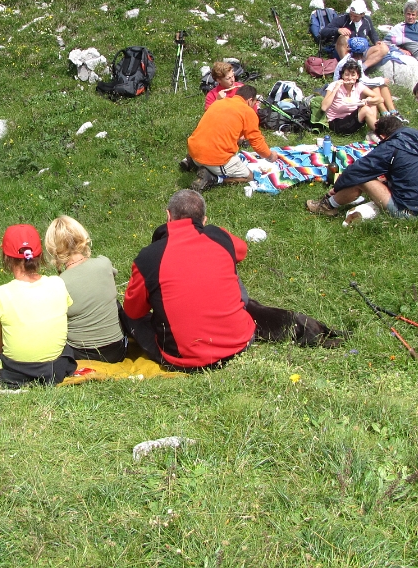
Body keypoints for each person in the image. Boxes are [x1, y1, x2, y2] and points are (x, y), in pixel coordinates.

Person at [121, 190, 255, 370]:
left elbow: (134, 311)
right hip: (241, 342)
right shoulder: (219, 236)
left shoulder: (148, 258)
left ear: (168, 216)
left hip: (184, 360)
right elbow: (242, 250)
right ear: (204, 220)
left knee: (129, 316)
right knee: (229, 265)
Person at [0, 225, 76, 385]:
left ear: (6, 258)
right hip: (55, 370)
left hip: (15, 373)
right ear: (40, 255)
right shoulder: (58, 283)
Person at [306, 115, 418, 218]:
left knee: (362, 178)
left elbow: (357, 170)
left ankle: (327, 206)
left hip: (411, 211)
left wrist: (337, 188)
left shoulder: (391, 146)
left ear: (383, 136)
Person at [44, 216, 127, 363]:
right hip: (117, 350)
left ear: (53, 249)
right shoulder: (104, 263)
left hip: (80, 354)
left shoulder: (58, 283)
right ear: (82, 237)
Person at [186, 85, 280, 192]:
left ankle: (192, 162)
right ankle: (213, 179)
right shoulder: (247, 112)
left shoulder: (219, 103)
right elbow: (257, 142)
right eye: (254, 104)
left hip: (193, 150)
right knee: (249, 176)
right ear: (250, 101)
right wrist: (270, 156)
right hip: (215, 159)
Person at [321, 0, 389, 67]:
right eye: (351, 15)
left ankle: (362, 68)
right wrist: (338, 30)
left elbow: (372, 33)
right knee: (343, 37)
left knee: (384, 48)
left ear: (362, 14)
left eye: (355, 16)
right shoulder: (342, 18)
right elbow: (323, 31)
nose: (352, 18)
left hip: (361, 51)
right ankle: (347, 66)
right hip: (345, 50)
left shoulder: (367, 20)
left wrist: (376, 41)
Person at [323, 61, 382, 138]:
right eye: (347, 75)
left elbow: (380, 99)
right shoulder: (335, 85)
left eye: (353, 75)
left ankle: (373, 131)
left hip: (351, 119)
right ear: (342, 76)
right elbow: (324, 107)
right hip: (336, 122)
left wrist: (368, 100)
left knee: (372, 102)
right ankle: (381, 134)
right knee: (366, 109)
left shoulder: (358, 86)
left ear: (357, 76)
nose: (350, 78)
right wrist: (335, 89)